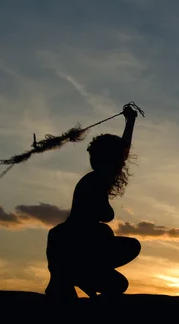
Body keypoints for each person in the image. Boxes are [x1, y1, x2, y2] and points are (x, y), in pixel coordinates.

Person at [45, 105, 141, 301]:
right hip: (79, 247)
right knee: (130, 247)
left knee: (119, 284)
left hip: (79, 247)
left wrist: (130, 122)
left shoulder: (96, 178)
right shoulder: (94, 182)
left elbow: (121, 152)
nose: (120, 163)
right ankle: (75, 274)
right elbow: (104, 214)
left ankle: (77, 276)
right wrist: (130, 121)